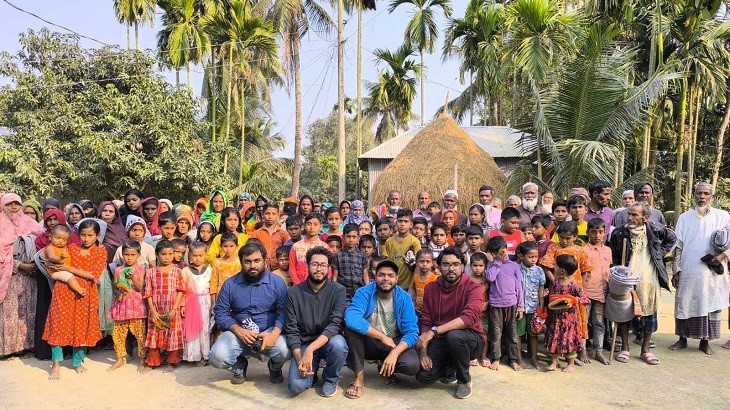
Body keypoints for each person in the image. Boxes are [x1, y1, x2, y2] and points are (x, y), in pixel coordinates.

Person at [209, 242, 290, 384]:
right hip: (239, 332)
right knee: (217, 357)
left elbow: (285, 312)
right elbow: (220, 314)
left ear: (265, 261)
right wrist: (238, 330)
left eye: (257, 261)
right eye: (247, 262)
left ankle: (275, 367)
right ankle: (239, 366)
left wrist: (274, 334)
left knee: (285, 350)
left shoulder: (277, 283)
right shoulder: (230, 284)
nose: (252, 266)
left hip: (269, 332)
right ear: (241, 262)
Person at [343, 259, 420, 399]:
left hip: (393, 343)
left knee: (411, 365)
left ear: (397, 278)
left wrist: (395, 353)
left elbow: (412, 332)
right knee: (351, 329)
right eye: (381, 275)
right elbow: (351, 317)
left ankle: (384, 369)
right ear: (374, 275)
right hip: (370, 341)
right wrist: (382, 337)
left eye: (390, 275)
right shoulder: (364, 292)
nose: (386, 279)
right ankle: (358, 378)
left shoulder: (404, 298)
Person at [610, 202, 676, 364]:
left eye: (635, 215)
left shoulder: (654, 229)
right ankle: (625, 348)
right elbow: (615, 257)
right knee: (624, 313)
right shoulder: (620, 233)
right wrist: (619, 272)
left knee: (649, 314)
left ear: (645, 217)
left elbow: (672, 238)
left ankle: (645, 350)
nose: (630, 217)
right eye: (629, 214)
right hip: (627, 280)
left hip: (649, 280)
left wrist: (658, 253)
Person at [416, 247, 485, 400]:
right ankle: (450, 366)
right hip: (441, 339)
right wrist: (423, 352)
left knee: (454, 336)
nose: (451, 268)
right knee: (424, 376)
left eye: (455, 264)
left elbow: (469, 317)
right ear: (438, 267)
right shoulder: (431, 288)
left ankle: (464, 380)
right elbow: (426, 320)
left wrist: (434, 331)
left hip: (470, 339)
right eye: (446, 265)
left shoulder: (473, 288)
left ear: (462, 266)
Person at [670, 182, 729, 355]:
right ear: (694, 195)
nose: (702, 197)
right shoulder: (684, 217)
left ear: (712, 196)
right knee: (684, 302)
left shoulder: (723, 216)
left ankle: (705, 342)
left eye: (705, 194)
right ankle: (682, 339)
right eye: (699, 193)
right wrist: (676, 271)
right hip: (689, 270)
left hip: (712, 272)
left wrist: (722, 256)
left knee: (710, 303)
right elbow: (678, 245)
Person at [44, 219, 107, 379]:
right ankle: (56, 364)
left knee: (82, 327)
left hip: (85, 294)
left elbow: (93, 275)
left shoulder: (101, 252)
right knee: (58, 325)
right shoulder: (70, 248)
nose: (86, 239)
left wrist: (68, 268)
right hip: (63, 291)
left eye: (90, 235)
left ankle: (77, 362)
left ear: (97, 235)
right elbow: (53, 260)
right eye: (83, 235)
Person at [285, 246, 348, 397]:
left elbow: (335, 324)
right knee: (296, 386)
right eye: (314, 264)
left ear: (328, 268)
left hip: (328, 341)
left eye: (323, 265)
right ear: (308, 266)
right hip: (304, 343)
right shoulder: (293, 293)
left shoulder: (338, 290)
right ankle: (311, 375)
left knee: (339, 345)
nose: (319, 269)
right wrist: (301, 360)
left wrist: (311, 349)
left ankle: (330, 379)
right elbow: (291, 330)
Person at [539, 220, 591, 361]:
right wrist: (555, 281)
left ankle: (581, 350)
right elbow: (546, 267)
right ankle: (556, 351)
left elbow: (586, 270)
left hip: (575, 291)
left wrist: (581, 285)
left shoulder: (580, 250)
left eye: (568, 238)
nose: (564, 241)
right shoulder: (553, 248)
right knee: (556, 321)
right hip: (558, 290)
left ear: (575, 237)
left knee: (579, 320)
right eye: (561, 237)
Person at [0, 193, 42, 358]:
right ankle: (8, 349)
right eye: (10, 204)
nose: (14, 207)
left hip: (31, 276)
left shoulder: (31, 224)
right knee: (11, 312)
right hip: (10, 276)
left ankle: (28, 345)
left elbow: (43, 244)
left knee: (28, 312)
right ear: (3, 205)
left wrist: (35, 264)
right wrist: (19, 265)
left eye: (17, 203)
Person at [140, 241, 185, 373]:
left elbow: (181, 290)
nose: (167, 257)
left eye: (170, 254)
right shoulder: (151, 272)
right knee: (154, 334)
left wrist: (174, 308)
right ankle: (153, 361)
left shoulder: (177, 271)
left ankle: (172, 361)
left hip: (172, 308)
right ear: (157, 255)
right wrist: (152, 311)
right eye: (163, 254)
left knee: (172, 334)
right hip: (156, 309)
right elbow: (147, 293)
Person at [485, 236, 524, 371]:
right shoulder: (491, 265)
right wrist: (497, 262)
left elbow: (519, 287)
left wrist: (521, 306)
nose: (501, 255)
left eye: (502, 251)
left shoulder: (514, 266)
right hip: (496, 304)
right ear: (492, 253)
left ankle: (512, 359)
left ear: (506, 249)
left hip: (511, 304)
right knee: (496, 333)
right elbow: (490, 278)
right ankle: (496, 358)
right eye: (497, 253)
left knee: (512, 333)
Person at [545, 255, 590, 373]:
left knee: (569, 339)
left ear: (562, 270)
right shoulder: (556, 282)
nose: (554, 268)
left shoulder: (574, 284)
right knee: (554, 337)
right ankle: (554, 361)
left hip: (569, 320)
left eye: (556, 266)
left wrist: (573, 300)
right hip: (556, 317)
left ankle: (571, 363)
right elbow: (553, 294)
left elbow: (585, 299)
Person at [107, 241, 147, 372]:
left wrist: (132, 277)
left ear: (138, 255)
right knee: (118, 332)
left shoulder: (141, 268)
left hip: (136, 304)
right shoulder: (118, 270)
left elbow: (140, 287)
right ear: (122, 255)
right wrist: (118, 293)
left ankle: (143, 358)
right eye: (126, 254)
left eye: (132, 254)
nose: (129, 257)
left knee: (140, 333)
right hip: (122, 304)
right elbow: (115, 287)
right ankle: (120, 357)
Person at [583, 218, 611, 365]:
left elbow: (608, 271)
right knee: (583, 322)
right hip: (586, 293)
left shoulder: (608, 250)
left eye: (600, 232)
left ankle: (598, 350)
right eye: (593, 232)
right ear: (588, 233)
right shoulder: (583, 251)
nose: (597, 235)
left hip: (602, 293)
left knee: (599, 323)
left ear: (605, 233)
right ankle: (582, 349)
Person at [182, 241, 213, 366]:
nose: (198, 258)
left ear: (205, 255)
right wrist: (182, 305)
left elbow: (213, 288)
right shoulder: (185, 271)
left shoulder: (210, 270)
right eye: (195, 255)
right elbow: (182, 290)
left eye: (201, 255)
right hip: (191, 303)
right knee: (193, 327)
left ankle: (205, 354)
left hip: (206, 302)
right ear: (190, 256)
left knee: (205, 328)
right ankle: (194, 355)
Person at [516, 241, 546, 370]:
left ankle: (534, 357)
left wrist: (541, 307)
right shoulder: (516, 269)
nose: (534, 259)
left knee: (533, 334)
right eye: (530, 257)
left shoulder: (539, 270)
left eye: (536, 256)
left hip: (534, 308)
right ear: (521, 256)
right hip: (520, 309)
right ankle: (519, 358)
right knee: (518, 333)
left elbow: (541, 289)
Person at [383, 209, 421, 290]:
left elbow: (418, 265)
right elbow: (387, 262)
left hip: (408, 284)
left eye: (406, 221)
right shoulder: (389, 241)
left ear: (411, 224)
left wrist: (412, 286)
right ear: (396, 223)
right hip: (392, 283)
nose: (402, 224)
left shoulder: (415, 242)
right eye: (400, 221)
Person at [43, 225, 86, 296]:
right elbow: (52, 257)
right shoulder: (50, 247)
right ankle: (79, 290)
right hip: (55, 271)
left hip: (64, 269)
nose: (61, 241)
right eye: (58, 238)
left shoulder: (65, 248)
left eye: (64, 239)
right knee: (69, 276)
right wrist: (60, 257)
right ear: (50, 237)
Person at [289, 214, 331, 285]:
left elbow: (328, 270)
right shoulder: (296, 246)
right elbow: (292, 268)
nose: (312, 227)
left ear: (320, 227)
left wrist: (323, 285)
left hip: (320, 286)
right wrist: (298, 285)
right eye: (309, 224)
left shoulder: (325, 247)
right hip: (300, 286)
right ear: (304, 226)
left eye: (315, 224)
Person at [333, 224, 370, 302]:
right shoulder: (338, 255)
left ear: (358, 238)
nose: (351, 240)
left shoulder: (362, 255)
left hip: (359, 292)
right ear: (343, 237)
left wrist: (368, 290)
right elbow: (335, 276)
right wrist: (334, 291)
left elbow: (365, 275)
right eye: (348, 236)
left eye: (354, 237)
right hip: (342, 292)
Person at [250, 203, 290, 271]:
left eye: (273, 214)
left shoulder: (284, 233)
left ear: (278, 215)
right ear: (262, 215)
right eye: (267, 213)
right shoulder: (255, 234)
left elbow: (288, 251)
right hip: (261, 269)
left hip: (280, 269)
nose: (270, 216)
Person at [468, 252, 490, 367]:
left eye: (481, 266)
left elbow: (493, 294)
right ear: (470, 266)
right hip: (472, 313)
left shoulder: (488, 280)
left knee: (485, 334)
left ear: (485, 266)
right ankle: (473, 356)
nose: (478, 268)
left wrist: (488, 303)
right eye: (475, 265)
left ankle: (484, 356)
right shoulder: (468, 280)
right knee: (473, 335)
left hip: (485, 313)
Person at [210, 232, 242, 306]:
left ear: (237, 246)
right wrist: (213, 303)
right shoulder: (217, 262)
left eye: (231, 246)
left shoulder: (240, 262)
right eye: (225, 246)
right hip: (221, 297)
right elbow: (213, 283)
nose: (228, 249)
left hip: (239, 296)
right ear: (220, 246)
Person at [409, 249, 438, 314]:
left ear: (432, 263)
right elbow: (411, 292)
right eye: (422, 261)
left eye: (428, 261)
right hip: (417, 310)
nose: (424, 264)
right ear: (416, 262)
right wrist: (413, 305)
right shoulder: (416, 277)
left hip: (431, 312)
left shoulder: (435, 278)